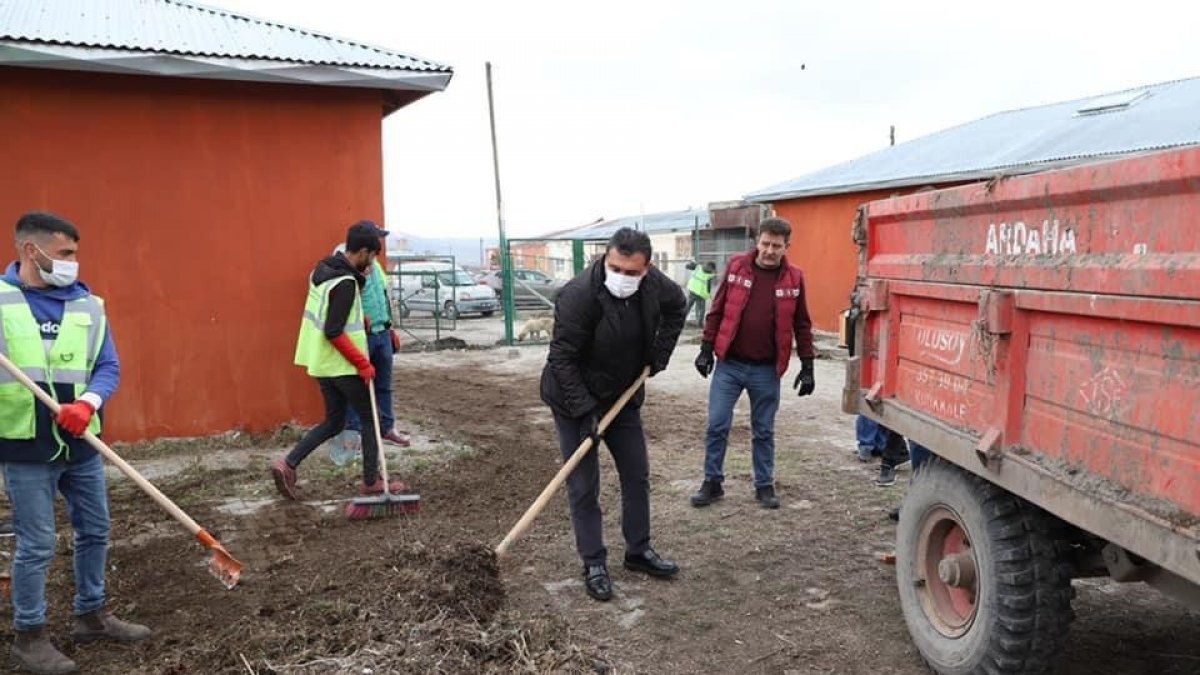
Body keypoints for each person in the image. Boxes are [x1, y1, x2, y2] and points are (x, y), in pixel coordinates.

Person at [1, 212, 151, 674]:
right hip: (25, 444)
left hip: (81, 442)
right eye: (65, 253)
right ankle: (29, 636)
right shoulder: (1, 302)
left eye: (74, 253)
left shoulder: (88, 305)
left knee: (96, 530)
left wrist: (87, 403)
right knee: (37, 543)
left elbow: (108, 366)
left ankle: (92, 614)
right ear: (32, 251)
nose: (72, 262)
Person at [539, 227, 687, 602]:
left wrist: (659, 355)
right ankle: (593, 562)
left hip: (622, 394)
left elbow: (677, 308)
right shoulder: (578, 295)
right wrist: (585, 410)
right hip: (573, 399)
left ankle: (638, 550)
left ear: (647, 268)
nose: (622, 277)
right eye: (616, 268)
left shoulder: (655, 285)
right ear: (606, 258)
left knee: (636, 474)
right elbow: (562, 359)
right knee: (583, 484)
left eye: (631, 272)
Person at [271, 222, 407, 501]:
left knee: (334, 422)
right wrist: (362, 363)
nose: (372, 263)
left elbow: (330, 312)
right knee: (370, 418)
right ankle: (371, 481)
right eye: (372, 256)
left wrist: (360, 317)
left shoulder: (324, 271)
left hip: (321, 363)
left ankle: (288, 464)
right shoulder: (345, 283)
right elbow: (333, 330)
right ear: (363, 251)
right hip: (341, 365)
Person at [690, 217, 816, 510]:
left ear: (787, 246)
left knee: (764, 430)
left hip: (766, 370)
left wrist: (808, 365)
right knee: (717, 424)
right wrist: (706, 349)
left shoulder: (794, 278)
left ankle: (764, 485)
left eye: (777, 246)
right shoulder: (737, 267)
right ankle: (712, 482)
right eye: (765, 244)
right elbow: (718, 309)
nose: (770, 251)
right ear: (757, 242)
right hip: (729, 365)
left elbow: (802, 324)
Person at [340, 221, 410, 448]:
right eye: (376, 237)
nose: (379, 242)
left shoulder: (376, 264)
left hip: (382, 332)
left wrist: (390, 327)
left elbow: (384, 295)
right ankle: (354, 433)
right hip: (362, 334)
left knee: (385, 385)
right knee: (357, 386)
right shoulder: (349, 263)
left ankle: (387, 428)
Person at [683, 260, 717, 326]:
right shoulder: (700, 269)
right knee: (700, 309)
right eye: (712, 269)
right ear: (711, 267)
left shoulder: (698, 268)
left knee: (688, 307)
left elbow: (687, 266)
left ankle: (683, 320)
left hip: (696, 292)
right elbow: (708, 287)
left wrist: (708, 294)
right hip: (699, 293)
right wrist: (708, 294)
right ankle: (699, 324)